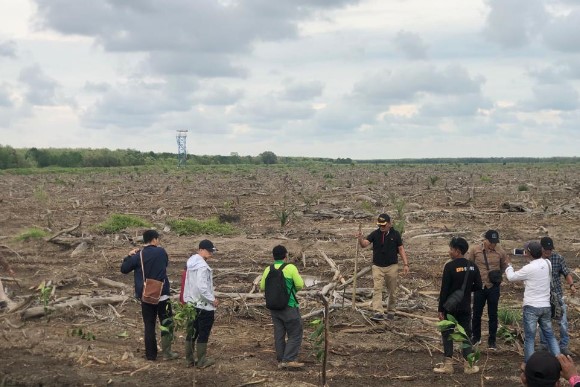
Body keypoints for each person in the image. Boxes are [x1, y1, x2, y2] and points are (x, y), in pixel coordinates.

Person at [121, 230, 178, 361]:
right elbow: (165, 265)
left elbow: (124, 269)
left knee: (149, 325)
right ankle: (167, 352)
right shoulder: (161, 252)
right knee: (166, 322)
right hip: (162, 294)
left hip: (146, 296)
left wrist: (129, 256)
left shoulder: (138, 255)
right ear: (154, 240)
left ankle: (151, 355)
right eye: (157, 239)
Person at [505, 241, 560, 365]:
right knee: (550, 335)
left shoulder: (528, 268)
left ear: (528, 253)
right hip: (545, 306)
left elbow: (511, 277)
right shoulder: (548, 263)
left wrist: (509, 265)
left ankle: (530, 365)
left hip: (531, 307)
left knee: (529, 338)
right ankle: (559, 361)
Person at [433, 237, 482, 375]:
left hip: (450, 307)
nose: (449, 252)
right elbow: (478, 286)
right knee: (465, 334)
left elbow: (444, 290)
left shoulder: (450, 266)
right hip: (465, 306)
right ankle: (468, 365)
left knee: (447, 334)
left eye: (451, 249)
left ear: (457, 250)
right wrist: (465, 291)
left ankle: (448, 365)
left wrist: (440, 309)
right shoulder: (473, 266)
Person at [357, 213, 410, 321]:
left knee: (392, 290)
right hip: (377, 267)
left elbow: (401, 249)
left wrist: (405, 264)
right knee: (377, 289)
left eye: (383, 225)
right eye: (379, 225)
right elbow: (364, 244)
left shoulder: (395, 235)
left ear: (390, 224)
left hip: (392, 266)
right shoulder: (375, 234)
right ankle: (378, 312)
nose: (381, 227)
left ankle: (391, 311)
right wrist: (360, 238)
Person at [260, 245, 305, 369]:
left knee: (279, 334)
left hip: (274, 307)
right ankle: (289, 360)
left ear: (273, 257)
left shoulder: (268, 269)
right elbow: (300, 285)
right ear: (286, 256)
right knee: (295, 333)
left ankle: (281, 360)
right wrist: (291, 290)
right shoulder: (290, 268)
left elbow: (263, 287)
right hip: (289, 305)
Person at [468, 229, 508, 349]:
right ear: (485, 240)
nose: (493, 244)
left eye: (495, 242)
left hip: (493, 287)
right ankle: (476, 337)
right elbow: (470, 265)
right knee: (476, 313)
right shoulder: (475, 250)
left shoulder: (501, 252)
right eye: (491, 242)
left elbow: (503, 267)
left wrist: (496, 277)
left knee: (493, 314)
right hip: (479, 286)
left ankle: (492, 340)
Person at [182, 239, 219, 368]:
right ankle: (201, 360)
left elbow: (188, 284)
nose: (211, 253)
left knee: (192, 331)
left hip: (192, 303)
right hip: (204, 305)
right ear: (201, 250)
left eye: (212, 251)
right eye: (209, 251)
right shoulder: (202, 266)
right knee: (203, 333)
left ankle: (189, 359)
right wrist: (212, 300)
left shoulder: (191, 264)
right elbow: (202, 287)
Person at [538, 237, 576, 356]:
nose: (548, 252)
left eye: (550, 249)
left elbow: (566, 273)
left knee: (563, 321)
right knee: (544, 320)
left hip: (557, 295)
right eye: (546, 249)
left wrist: (571, 285)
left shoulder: (558, 258)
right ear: (541, 248)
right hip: (543, 296)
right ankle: (544, 345)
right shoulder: (537, 260)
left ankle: (563, 345)